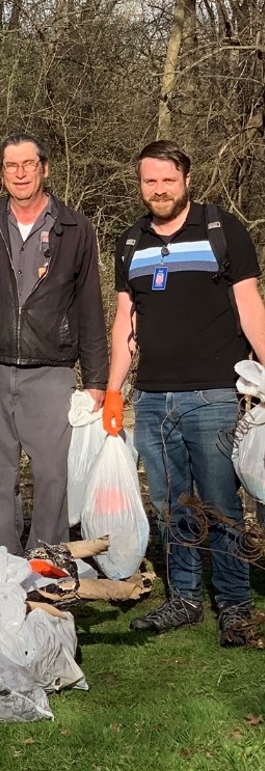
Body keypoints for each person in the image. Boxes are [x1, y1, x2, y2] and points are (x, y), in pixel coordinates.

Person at [102, 140, 265, 646]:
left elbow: (250, 307)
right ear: (140, 184)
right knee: (171, 504)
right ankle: (185, 599)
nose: (159, 189)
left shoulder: (221, 229)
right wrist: (113, 389)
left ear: (186, 180)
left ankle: (235, 605)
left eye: (168, 180)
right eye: (150, 181)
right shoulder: (130, 242)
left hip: (215, 396)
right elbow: (125, 320)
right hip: (152, 400)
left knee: (220, 504)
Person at [0, 132, 108, 555]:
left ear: (44, 169)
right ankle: (1, 559)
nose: (20, 173)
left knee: (53, 472)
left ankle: (46, 558)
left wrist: (96, 380)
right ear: (2, 173)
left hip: (51, 368)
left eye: (28, 164)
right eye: (11, 166)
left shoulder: (75, 228)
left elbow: (90, 306)